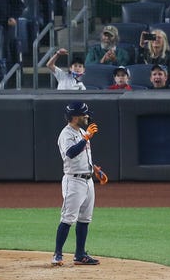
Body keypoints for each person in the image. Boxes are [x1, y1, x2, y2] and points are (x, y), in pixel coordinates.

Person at [52, 101, 105, 266]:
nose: (87, 116)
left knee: (85, 219)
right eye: (84, 114)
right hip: (73, 181)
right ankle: (57, 254)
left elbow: (83, 156)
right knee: (68, 218)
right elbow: (71, 154)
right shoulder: (66, 134)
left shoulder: (82, 131)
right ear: (74, 117)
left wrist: (95, 169)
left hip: (88, 180)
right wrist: (86, 138)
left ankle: (80, 254)